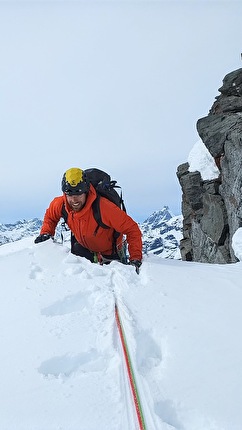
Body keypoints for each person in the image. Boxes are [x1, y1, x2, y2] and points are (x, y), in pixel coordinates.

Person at [34, 167, 142, 273]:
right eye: (70, 194)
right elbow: (50, 217)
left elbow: (132, 229)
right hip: (82, 246)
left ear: (86, 191)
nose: (74, 200)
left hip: (111, 250)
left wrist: (135, 258)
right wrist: (46, 233)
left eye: (79, 193)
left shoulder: (104, 208)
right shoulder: (60, 204)